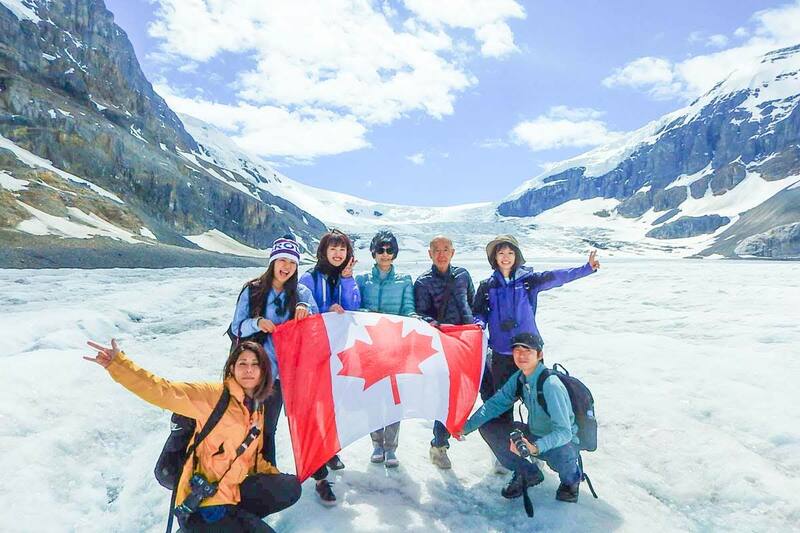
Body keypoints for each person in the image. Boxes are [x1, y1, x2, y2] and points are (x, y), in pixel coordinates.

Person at [84, 339, 301, 532]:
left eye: (255, 364)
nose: (248, 370)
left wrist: (273, 475)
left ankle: (234, 521)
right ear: (232, 368)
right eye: (242, 363)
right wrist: (119, 365)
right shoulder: (212, 396)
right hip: (202, 504)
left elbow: (251, 459)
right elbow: (163, 390)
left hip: (230, 491)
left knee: (290, 488)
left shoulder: (255, 407)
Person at [473, 235, 599, 424]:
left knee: (537, 399)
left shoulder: (528, 280)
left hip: (530, 350)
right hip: (502, 352)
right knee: (503, 401)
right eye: (501, 253)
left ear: (517, 256)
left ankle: (540, 440)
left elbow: (558, 277)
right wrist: (479, 324)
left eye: (510, 253)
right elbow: (479, 312)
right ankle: (507, 443)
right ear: (494, 257)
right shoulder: (487, 286)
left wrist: (586, 268)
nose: (506, 257)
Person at [229, 237, 320, 498]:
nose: (287, 266)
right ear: (272, 262)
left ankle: (266, 477)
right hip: (252, 373)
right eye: (282, 260)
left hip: (281, 375)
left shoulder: (301, 293)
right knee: (244, 425)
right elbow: (237, 327)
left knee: (268, 427)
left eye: (292, 262)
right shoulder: (253, 290)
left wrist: (304, 308)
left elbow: (314, 324)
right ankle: (236, 475)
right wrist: (257, 322)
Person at [458, 333, 583, 503]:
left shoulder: (551, 385)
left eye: (527, 350)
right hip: (534, 434)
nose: (521, 355)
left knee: (564, 456)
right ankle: (527, 473)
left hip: (561, 443)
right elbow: (495, 404)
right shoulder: (520, 378)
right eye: (517, 350)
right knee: (490, 427)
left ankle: (572, 481)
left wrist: (534, 447)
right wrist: (466, 426)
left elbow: (564, 432)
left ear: (540, 354)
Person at [298, 229, 360, 504]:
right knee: (314, 412)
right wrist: (326, 314)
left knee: (332, 409)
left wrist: (347, 281)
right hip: (312, 358)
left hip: (337, 356)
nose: (338, 254)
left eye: (342, 249)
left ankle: (329, 451)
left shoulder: (345, 278)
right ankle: (320, 477)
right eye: (333, 249)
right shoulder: (308, 279)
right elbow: (304, 314)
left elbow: (355, 308)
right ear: (323, 251)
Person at [413, 235, 475, 470]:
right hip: (442, 346)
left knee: (475, 392)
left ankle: (499, 448)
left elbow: (473, 303)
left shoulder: (463, 275)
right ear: (429, 253)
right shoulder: (423, 282)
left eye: (446, 249)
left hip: (469, 344)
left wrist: (476, 324)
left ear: (453, 252)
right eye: (436, 250)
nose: (441, 253)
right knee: (447, 397)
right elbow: (420, 314)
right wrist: (439, 326)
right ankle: (439, 445)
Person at [355, 229, 415, 468]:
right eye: (380, 249)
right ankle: (376, 444)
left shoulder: (404, 280)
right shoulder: (362, 281)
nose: (385, 254)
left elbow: (408, 308)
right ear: (373, 252)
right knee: (372, 398)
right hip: (369, 349)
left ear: (395, 253)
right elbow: (355, 308)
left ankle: (391, 448)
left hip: (394, 349)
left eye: (390, 250)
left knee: (393, 399)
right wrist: (369, 315)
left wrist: (414, 319)